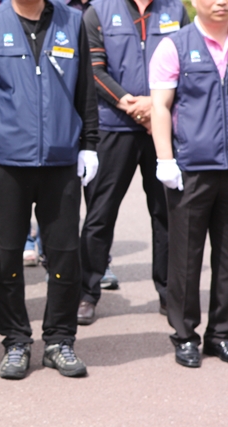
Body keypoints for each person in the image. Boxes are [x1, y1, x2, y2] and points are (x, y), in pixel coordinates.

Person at [0, 0, 99, 380]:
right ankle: (16, 339)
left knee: (64, 253)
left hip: (61, 159)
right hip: (7, 160)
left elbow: (85, 89)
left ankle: (59, 339)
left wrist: (90, 144)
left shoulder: (72, 22)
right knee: (7, 255)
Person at [77, 0, 189, 326]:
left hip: (162, 127)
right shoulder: (98, 10)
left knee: (167, 214)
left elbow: (183, 64)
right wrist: (132, 105)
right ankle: (87, 293)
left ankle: (169, 293)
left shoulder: (175, 10)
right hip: (113, 127)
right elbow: (94, 69)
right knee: (100, 214)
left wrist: (156, 105)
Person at [150, 0, 228, 368]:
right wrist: (165, 159)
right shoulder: (175, 46)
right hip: (191, 168)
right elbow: (160, 106)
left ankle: (221, 333)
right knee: (185, 256)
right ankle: (185, 335)